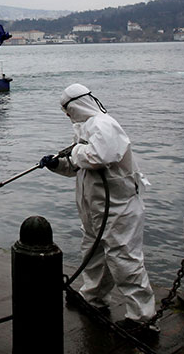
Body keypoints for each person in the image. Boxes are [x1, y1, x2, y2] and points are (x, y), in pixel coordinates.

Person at [40, 83, 156, 334]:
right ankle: (93, 298)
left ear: (77, 105)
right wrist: (57, 163)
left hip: (118, 208)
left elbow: (99, 157)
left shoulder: (103, 125)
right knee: (93, 255)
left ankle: (141, 317)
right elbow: (77, 166)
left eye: (68, 110)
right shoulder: (84, 130)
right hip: (96, 209)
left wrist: (76, 150)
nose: (67, 115)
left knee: (124, 259)